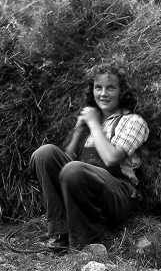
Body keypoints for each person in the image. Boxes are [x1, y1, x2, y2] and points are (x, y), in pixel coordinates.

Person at [29, 61, 149, 253]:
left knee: (74, 169)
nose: (103, 93)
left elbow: (111, 159)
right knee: (45, 153)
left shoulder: (133, 121)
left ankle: (85, 242)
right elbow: (64, 168)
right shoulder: (91, 121)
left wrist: (94, 124)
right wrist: (79, 130)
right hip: (82, 191)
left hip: (118, 194)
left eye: (110, 88)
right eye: (98, 87)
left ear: (122, 91)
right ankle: (61, 233)